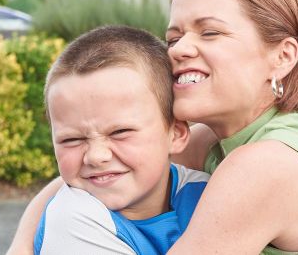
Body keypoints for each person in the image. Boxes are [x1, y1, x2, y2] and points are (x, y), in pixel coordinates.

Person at [8, 0, 298, 255]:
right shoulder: (228, 140)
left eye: (210, 32)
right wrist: (24, 243)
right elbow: (81, 174)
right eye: (174, 37)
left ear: (282, 57)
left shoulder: (267, 164)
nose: (179, 50)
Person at [33, 25, 209, 254]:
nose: (96, 156)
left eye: (120, 132)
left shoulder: (206, 191)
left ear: (176, 133)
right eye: (72, 139)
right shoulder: (71, 219)